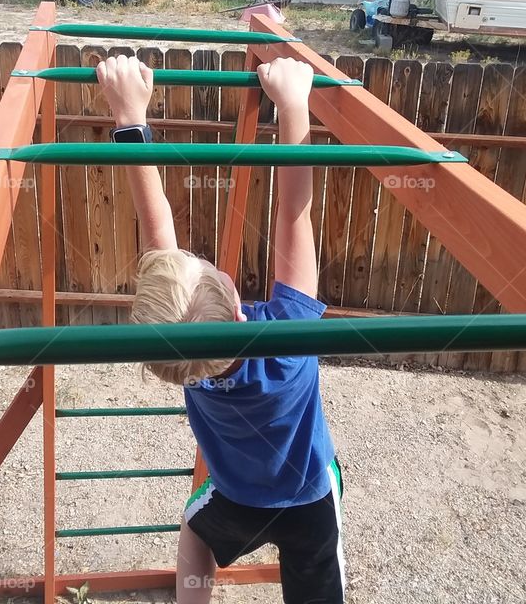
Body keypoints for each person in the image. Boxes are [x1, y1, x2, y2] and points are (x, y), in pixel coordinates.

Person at [96, 55, 344, 604]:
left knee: (195, 529)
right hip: (308, 500)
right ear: (236, 305)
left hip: (237, 501)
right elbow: (293, 215)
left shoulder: (184, 361)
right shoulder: (288, 341)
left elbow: (157, 228)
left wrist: (128, 112)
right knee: (319, 579)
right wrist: (295, 104)